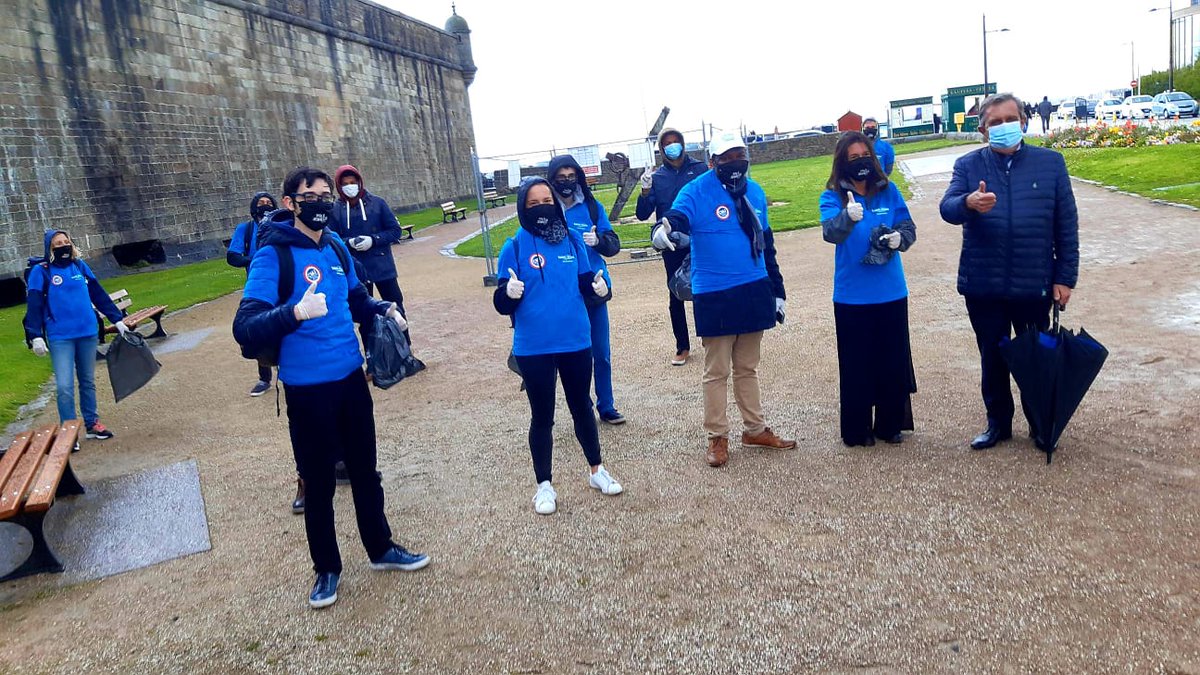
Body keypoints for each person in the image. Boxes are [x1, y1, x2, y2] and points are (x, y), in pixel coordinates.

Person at [234, 167, 429, 609]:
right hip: (306, 389)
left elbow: (356, 299)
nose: (321, 202)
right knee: (319, 483)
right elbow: (244, 326)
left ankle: (380, 548)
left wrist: (383, 307)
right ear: (291, 203)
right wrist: (294, 313)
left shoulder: (337, 246)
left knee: (365, 471)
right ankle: (326, 569)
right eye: (311, 195)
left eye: (326, 195)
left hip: (350, 379)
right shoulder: (273, 256)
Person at [938, 93, 1079, 452]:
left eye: (1010, 119)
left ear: (1024, 121)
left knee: (1035, 357)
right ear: (984, 130)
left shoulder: (1051, 163)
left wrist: (1065, 277)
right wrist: (969, 203)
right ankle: (997, 423)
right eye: (995, 122)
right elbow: (948, 208)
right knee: (994, 356)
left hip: (1033, 283)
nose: (1004, 127)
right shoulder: (968, 166)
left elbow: (1066, 225)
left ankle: (1040, 424)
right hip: (984, 284)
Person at [653, 131, 796, 468]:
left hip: (754, 286)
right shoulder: (696, 190)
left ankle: (755, 429)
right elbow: (678, 216)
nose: (735, 163)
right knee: (716, 370)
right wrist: (664, 228)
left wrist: (778, 291)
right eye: (727, 158)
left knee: (747, 366)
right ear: (712, 161)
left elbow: (768, 245)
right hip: (714, 291)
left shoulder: (755, 191)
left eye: (739, 156)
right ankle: (717, 436)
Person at [494, 177, 624, 515]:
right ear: (523, 208)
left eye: (546, 201)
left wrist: (600, 287)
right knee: (542, 416)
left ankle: (597, 470)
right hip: (533, 346)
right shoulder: (515, 246)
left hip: (575, 340)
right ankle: (544, 486)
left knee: (582, 405)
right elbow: (501, 300)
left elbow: (586, 283)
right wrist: (507, 294)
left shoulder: (571, 242)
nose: (541, 208)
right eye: (533, 204)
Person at [819, 132, 917, 447]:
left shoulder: (888, 191)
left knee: (893, 360)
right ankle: (856, 430)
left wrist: (901, 239)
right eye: (852, 158)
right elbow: (831, 234)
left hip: (890, 291)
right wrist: (847, 217)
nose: (860, 162)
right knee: (857, 364)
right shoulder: (832, 196)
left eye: (864, 155)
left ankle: (890, 424)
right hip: (852, 295)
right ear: (842, 163)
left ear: (872, 158)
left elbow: (908, 227)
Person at [24, 230, 129, 444]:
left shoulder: (79, 266)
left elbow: (97, 293)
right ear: (50, 248)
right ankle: (68, 432)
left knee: (87, 381)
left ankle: (92, 423)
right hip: (60, 336)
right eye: (57, 243)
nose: (63, 245)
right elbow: (34, 305)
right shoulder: (41, 271)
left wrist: (116, 318)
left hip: (87, 332)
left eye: (66, 241)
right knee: (64, 386)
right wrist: (35, 335)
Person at [547, 154, 625, 425]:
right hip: (560, 292)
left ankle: (607, 405)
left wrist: (598, 240)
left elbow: (613, 244)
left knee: (600, 353)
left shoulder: (591, 207)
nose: (567, 182)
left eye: (571, 176)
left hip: (592, 289)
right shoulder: (547, 208)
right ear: (552, 179)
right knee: (568, 356)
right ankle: (581, 408)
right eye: (561, 177)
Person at [635, 128, 708, 366]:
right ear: (661, 149)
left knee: (704, 289)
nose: (672, 146)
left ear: (683, 144)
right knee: (675, 293)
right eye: (667, 143)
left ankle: (710, 337)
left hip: (698, 238)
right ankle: (682, 346)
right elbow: (642, 213)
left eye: (676, 142)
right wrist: (645, 191)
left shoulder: (698, 169)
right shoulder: (658, 177)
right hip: (671, 242)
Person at [329, 164, 410, 344]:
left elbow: (395, 230)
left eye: (353, 182)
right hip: (356, 269)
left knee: (396, 306)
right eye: (345, 183)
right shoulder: (335, 210)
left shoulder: (377, 203)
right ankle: (373, 357)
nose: (350, 186)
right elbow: (330, 238)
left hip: (382, 266)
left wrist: (373, 240)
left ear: (359, 182)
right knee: (365, 314)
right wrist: (348, 242)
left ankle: (406, 350)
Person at [227, 191, 278, 397]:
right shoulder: (246, 229)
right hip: (258, 289)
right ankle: (264, 377)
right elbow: (232, 256)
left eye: (268, 202)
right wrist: (255, 260)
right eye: (261, 203)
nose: (265, 205)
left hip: (283, 283)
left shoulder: (281, 226)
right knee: (258, 330)